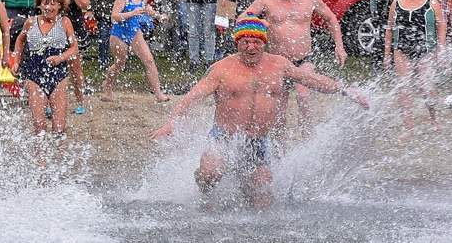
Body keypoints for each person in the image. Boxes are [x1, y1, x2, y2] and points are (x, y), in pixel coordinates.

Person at [149, 15, 369, 209]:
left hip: (256, 141)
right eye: (245, 42)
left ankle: (243, 189)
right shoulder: (221, 69)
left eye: (256, 42)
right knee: (210, 174)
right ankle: (203, 191)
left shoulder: (279, 65)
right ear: (237, 44)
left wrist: (344, 90)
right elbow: (192, 97)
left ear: (264, 43)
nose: (251, 48)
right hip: (225, 137)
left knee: (261, 204)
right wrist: (171, 123)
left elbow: (311, 80)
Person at [242, 0, 347, 136]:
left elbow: (331, 18)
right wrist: (259, 22)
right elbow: (242, 18)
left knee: (303, 94)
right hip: (278, 63)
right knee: (279, 110)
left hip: (303, 59)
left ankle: (308, 138)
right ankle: (279, 152)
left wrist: (339, 46)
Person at [12, 0, 78, 169]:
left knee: (59, 125)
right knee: (39, 123)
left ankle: (59, 159)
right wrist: (16, 61)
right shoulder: (30, 23)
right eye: (44, 3)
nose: (48, 7)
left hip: (59, 75)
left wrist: (61, 58)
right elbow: (20, 40)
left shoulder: (65, 22)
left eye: (52, 4)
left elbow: (74, 48)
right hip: (35, 75)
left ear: (59, 5)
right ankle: (41, 162)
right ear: (39, 5)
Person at [383, 0, 446, 140]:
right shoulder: (396, 3)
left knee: (426, 89)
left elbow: (441, 26)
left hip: (426, 50)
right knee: (404, 90)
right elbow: (390, 29)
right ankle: (409, 129)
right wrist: (387, 55)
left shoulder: (431, 1)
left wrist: (441, 51)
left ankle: (435, 119)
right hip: (401, 50)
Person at [101, 0, 170, 103]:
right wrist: (131, 13)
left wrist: (159, 16)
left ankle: (158, 94)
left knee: (149, 61)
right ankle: (107, 85)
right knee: (119, 64)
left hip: (134, 31)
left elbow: (147, 10)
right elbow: (114, 17)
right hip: (119, 34)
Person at [46, 0, 89, 114]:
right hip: (55, 27)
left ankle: (80, 102)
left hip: (75, 26)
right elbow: (44, 5)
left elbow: (86, 4)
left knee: (75, 66)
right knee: (51, 65)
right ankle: (50, 103)